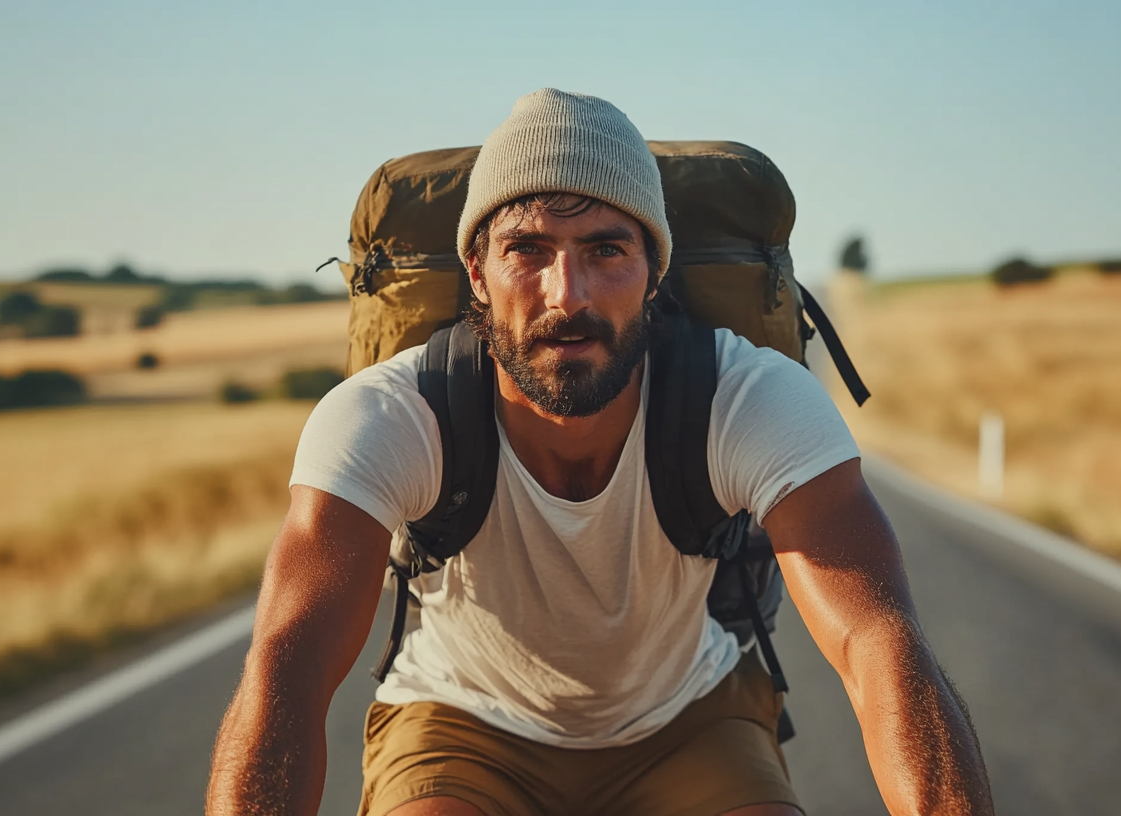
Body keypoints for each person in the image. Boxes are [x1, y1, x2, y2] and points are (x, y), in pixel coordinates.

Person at [207, 89, 993, 816]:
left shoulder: (747, 397)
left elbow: (877, 641)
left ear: (655, 272)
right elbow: (289, 666)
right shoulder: (392, 414)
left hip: (690, 718)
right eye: (528, 250)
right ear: (476, 272)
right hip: (460, 724)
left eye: (607, 250)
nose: (567, 295)